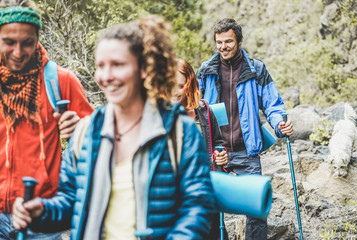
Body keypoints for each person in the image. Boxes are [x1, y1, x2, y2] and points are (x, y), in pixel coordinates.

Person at [12, 15, 215, 240]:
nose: (106, 77)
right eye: (100, 66)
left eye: (117, 65)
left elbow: (198, 209)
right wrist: (41, 210)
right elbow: (71, 202)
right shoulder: (87, 131)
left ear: (144, 69)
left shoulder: (181, 132)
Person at [0, 0, 93, 239]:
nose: (18, 53)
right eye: (9, 42)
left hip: (41, 215)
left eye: (27, 43)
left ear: (37, 37)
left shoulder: (60, 80)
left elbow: (99, 143)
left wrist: (80, 129)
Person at [196, 18, 294, 240]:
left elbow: (273, 104)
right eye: (219, 42)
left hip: (246, 152)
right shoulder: (206, 71)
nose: (223, 47)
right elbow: (192, 104)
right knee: (210, 211)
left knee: (256, 210)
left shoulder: (256, 69)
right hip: (215, 152)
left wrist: (280, 124)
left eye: (228, 41)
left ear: (239, 41)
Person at [176, 59, 229, 239]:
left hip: (206, 187)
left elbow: (218, 141)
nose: (175, 92)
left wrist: (221, 154)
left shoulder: (204, 110)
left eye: (180, 86)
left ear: (190, 84)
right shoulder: (158, 114)